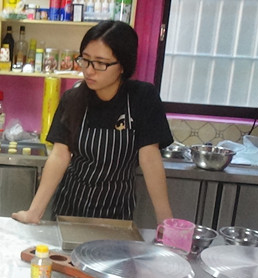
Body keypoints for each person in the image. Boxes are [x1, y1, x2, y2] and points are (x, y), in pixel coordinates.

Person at [12, 21, 173, 224]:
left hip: (117, 215)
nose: (89, 71)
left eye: (100, 63)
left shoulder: (142, 98)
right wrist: (34, 212)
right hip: (70, 210)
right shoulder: (72, 99)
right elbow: (60, 155)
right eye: (85, 60)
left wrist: (166, 222)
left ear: (123, 66)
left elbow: (149, 158)